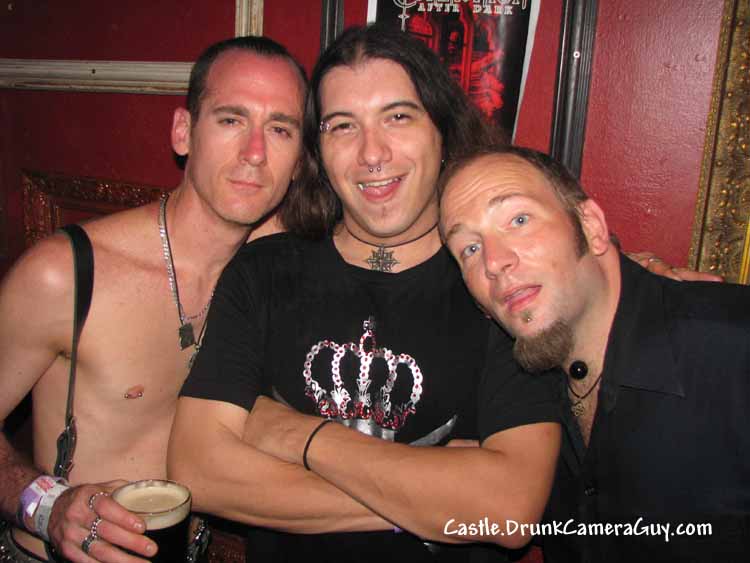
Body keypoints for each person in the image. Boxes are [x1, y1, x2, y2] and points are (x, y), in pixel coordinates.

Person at [170, 24, 562, 563]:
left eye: (398, 117)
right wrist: (437, 493)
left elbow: (510, 509)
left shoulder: (498, 282)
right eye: (342, 126)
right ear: (318, 152)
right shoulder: (262, 271)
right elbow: (198, 472)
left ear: (442, 131)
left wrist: (300, 438)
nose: (372, 153)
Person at [0, 35, 306, 563]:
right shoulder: (67, 274)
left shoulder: (278, 271)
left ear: (300, 159)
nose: (255, 153)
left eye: (280, 129)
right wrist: (47, 506)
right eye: (231, 120)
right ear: (183, 132)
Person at [438, 144, 750, 562]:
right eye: (470, 249)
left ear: (591, 227)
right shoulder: (523, 393)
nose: (494, 262)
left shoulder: (731, 349)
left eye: (519, 220)